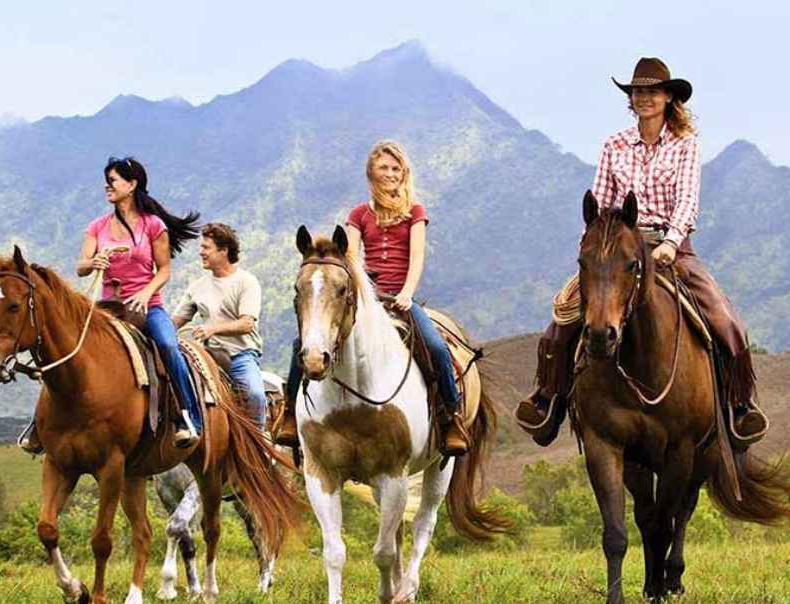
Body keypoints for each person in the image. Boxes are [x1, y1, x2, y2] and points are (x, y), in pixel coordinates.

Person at [515, 57, 768, 449]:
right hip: (618, 250)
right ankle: (549, 399)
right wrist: (599, 247)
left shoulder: (686, 144)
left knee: (726, 319)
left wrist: (669, 242)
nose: (644, 98)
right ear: (630, 99)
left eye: (652, 91)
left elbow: (687, 201)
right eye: (638, 92)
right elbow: (600, 203)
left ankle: (739, 406)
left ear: (668, 97)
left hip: (670, 247)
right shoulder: (613, 145)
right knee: (560, 320)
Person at [275, 140, 470, 456]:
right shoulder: (359, 214)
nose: (390, 174)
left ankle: (452, 417)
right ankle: (288, 414)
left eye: (396, 169)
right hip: (367, 300)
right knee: (302, 343)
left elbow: (417, 256)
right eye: (384, 168)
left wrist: (406, 293)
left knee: (434, 345)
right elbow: (349, 258)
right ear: (372, 173)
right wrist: (360, 296)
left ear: (403, 173)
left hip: (401, 299)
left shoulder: (415, 212)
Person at [19, 157, 203, 453]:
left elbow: (165, 269)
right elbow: (80, 267)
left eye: (114, 180)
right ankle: (38, 423)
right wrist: (94, 262)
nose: (108, 185)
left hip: (147, 306)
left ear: (132, 186)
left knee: (168, 346)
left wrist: (145, 293)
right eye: (107, 180)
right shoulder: (97, 226)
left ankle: (188, 417)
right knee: (67, 348)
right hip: (108, 307)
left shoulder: (153, 225)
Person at [173, 222, 267, 428]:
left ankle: (260, 443)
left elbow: (246, 324)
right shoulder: (197, 287)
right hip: (207, 355)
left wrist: (212, 329)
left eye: (206, 248)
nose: (201, 253)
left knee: (255, 394)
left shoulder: (246, 282)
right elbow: (176, 322)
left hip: (240, 355)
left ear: (224, 250)